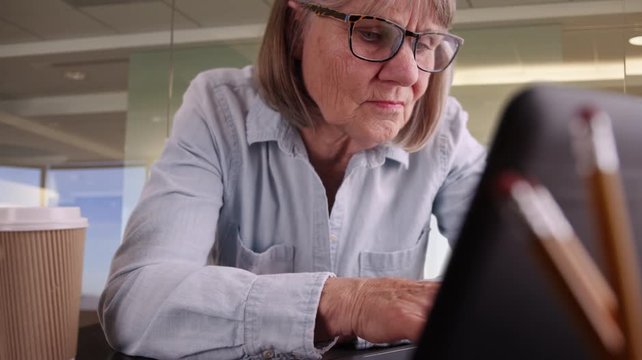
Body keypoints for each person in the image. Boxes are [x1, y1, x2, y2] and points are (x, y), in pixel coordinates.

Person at [98, 0, 486, 358]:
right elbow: (135, 302)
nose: (408, 74)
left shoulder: (446, 133)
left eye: (425, 44)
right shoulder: (219, 110)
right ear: (297, 28)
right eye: (371, 34)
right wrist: (349, 302)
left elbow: (518, 274)